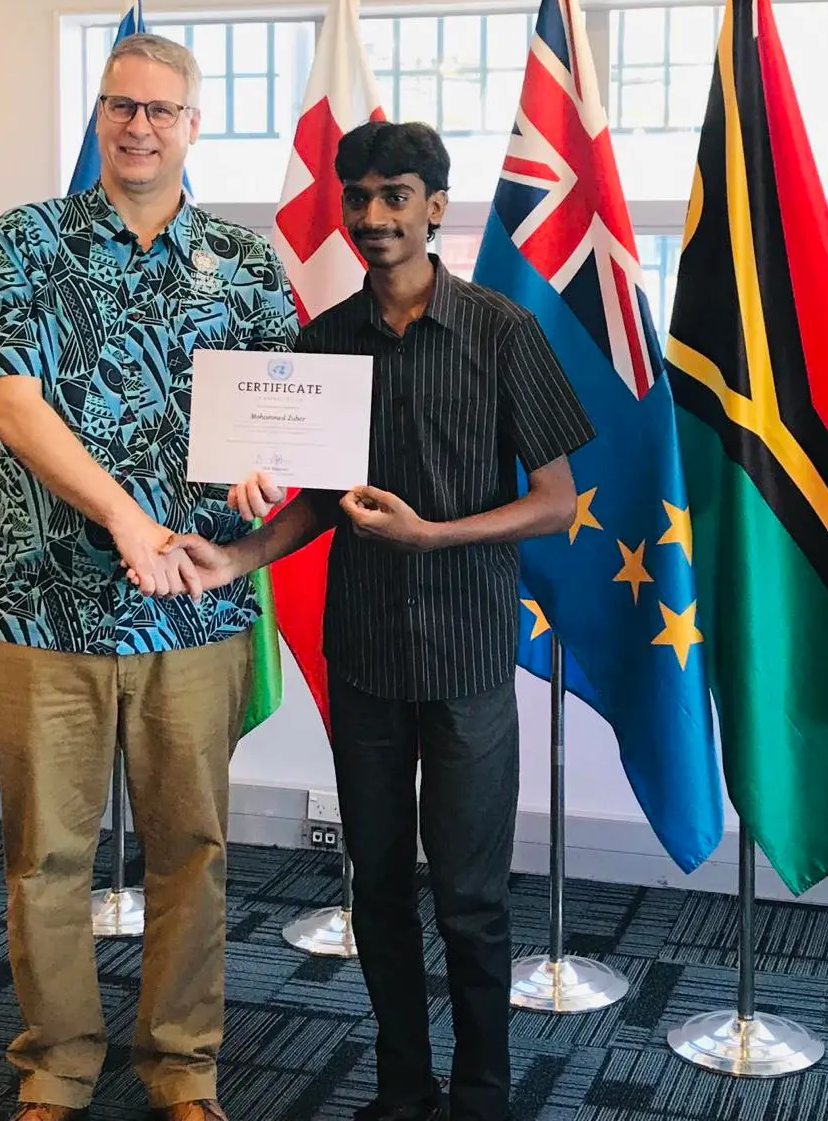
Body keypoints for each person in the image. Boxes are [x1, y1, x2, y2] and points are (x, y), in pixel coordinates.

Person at [168, 121, 595, 1121]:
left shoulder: (500, 330)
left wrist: (433, 535)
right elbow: (316, 499)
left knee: (471, 899)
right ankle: (405, 1088)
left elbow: (556, 500)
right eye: (359, 196)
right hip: (363, 656)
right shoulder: (321, 344)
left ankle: (482, 1096)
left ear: (437, 207)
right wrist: (236, 554)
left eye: (396, 195)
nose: (374, 217)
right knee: (380, 894)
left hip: (469, 657)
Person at [0, 33, 296, 1121]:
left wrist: (263, 480)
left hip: (192, 611)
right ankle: (55, 1069)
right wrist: (125, 519)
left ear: (195, 125)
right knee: (45, 857)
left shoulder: (243, 265)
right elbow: (12, 407)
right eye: (118, 106)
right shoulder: (28, 240)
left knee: (191, 852)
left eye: (159, 109)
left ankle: (183, 1069)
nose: (137, 125)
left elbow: (282, 420)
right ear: (98, 118)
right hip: (41, 606)